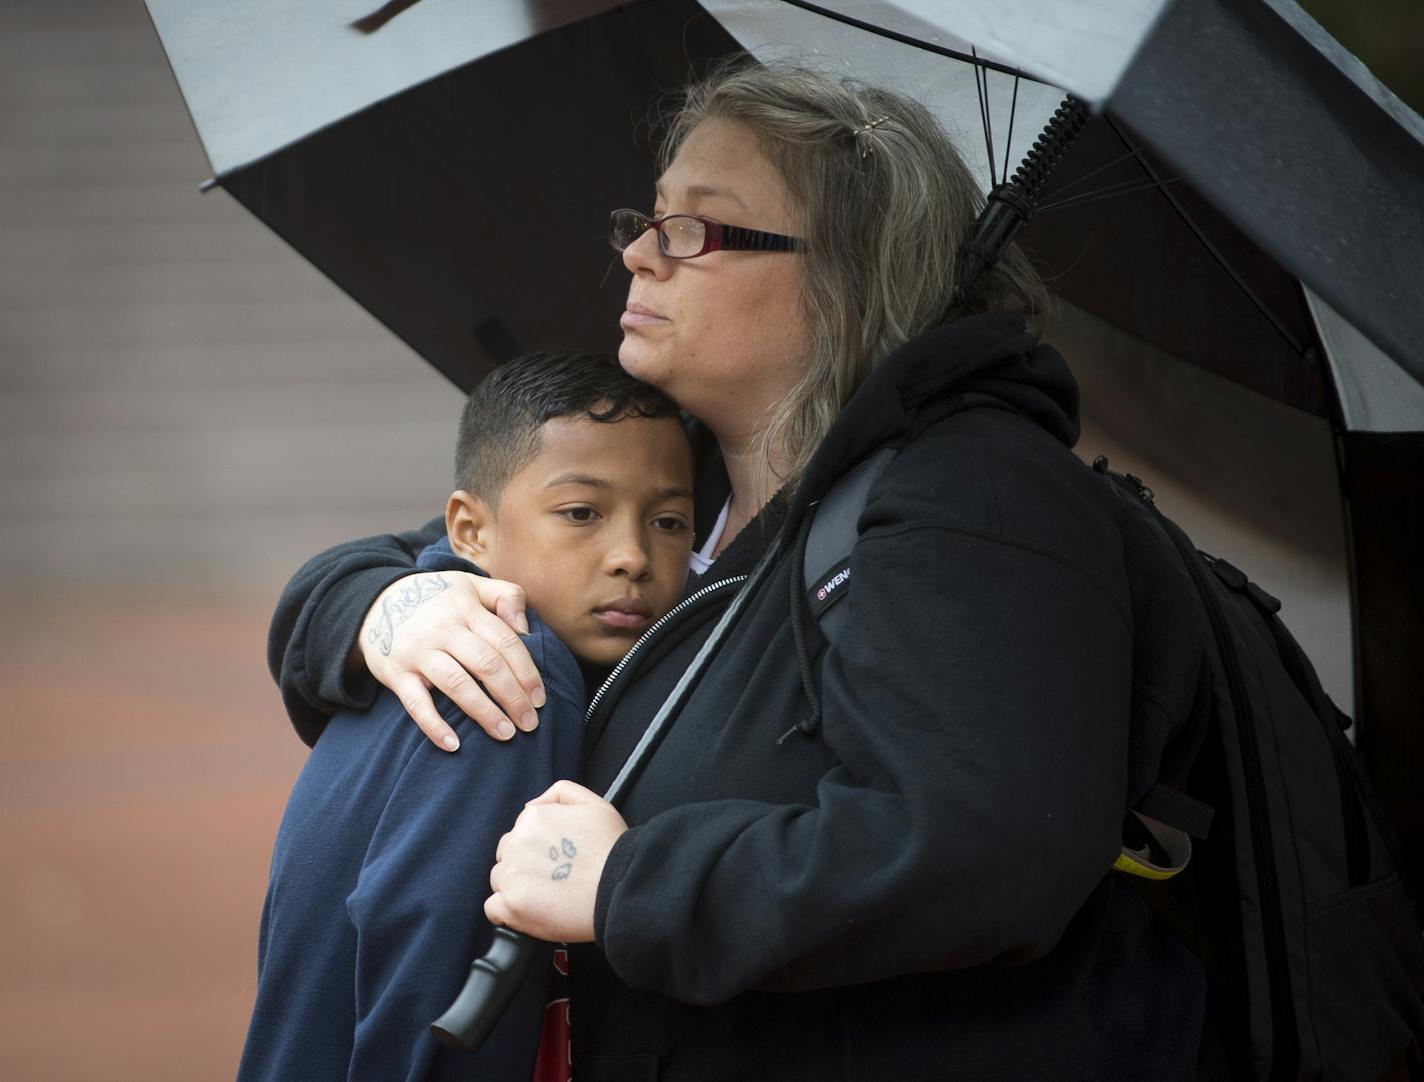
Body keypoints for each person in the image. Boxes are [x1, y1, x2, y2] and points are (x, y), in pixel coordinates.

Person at [269, 60, 1230, 1079]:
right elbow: (390, 569)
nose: (640, 253)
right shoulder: (674, 469)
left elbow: (973, 851)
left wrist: (626, 883)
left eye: (694, 228)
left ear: (845, 272)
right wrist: (384, 604)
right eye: (645, 219)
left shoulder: (976, 503)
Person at [240, 351, 696, 1082]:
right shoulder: (503, 672)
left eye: (671, 521)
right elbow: (430, 980)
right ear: (470, 530)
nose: (632, 556)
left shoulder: (434, 627)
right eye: (581, 513)